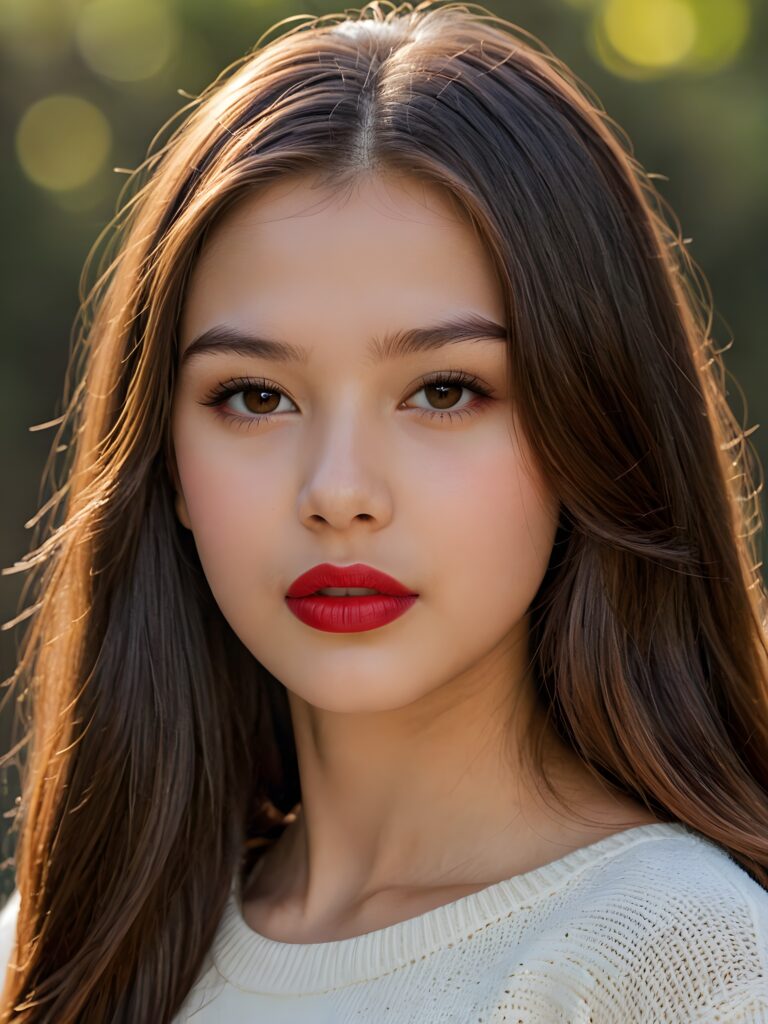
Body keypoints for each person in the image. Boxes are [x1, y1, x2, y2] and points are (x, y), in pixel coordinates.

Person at [1, 0, 767, 1020]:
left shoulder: (674, 959)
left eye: (444, 391)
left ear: (596, 422)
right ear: (169, 466)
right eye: (256, 397)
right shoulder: (53, 951)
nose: (340, 493)